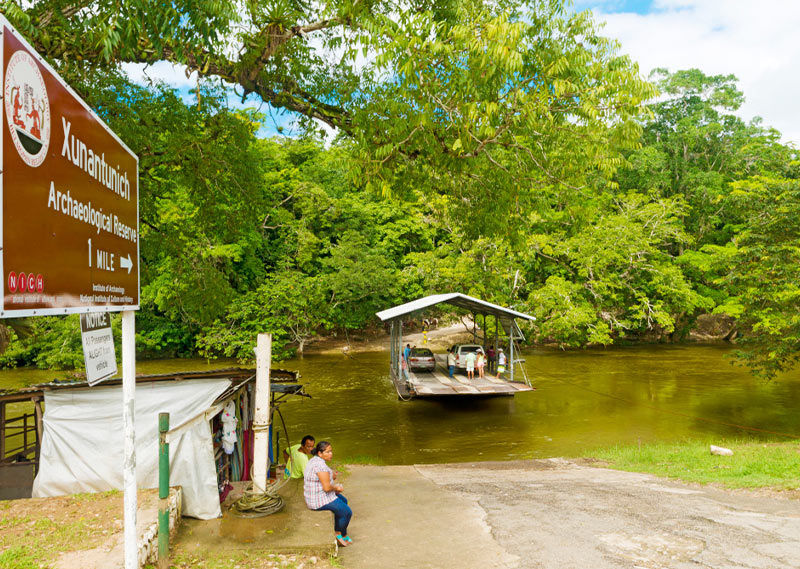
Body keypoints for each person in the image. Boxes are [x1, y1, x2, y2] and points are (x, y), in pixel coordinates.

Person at [304, 441, 353, 547]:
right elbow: (327, 488)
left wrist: (332, 475)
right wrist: (337, 487)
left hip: (316, 495)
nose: (331, 454)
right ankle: (339, 533)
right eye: (328, 452)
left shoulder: (315, 460)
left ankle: (340, 530)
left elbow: (326, 474)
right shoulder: (319, 465)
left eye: (331, 451)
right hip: (318, 499)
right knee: (347, 512)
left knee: (344, 501)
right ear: (320, 453)